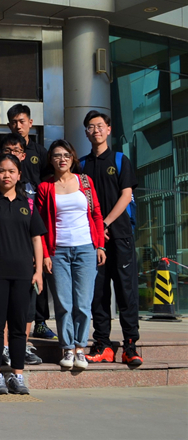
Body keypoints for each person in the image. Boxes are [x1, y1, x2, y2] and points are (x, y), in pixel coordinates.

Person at [0, 104, 55, 341]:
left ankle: (40, 322)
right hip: (6, 221)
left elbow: (48, 183)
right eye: (14, 122)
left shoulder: (40, 152)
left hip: (33, 218)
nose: (18, 125)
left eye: (22, 121)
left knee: (37, 274)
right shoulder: (0, 154)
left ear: (30, 123)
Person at [79, 111, 142, 366]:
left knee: (127, 291)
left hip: (120, 236)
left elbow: (126, 196)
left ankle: (130, 346)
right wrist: (95, 228)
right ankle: (102, 344)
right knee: (98, 293)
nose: (95, 130)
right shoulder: (81, 165)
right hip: (93, 240)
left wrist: (104, 223)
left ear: (108, 129)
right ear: (86, 133)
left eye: (99, 126)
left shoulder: (120, 160)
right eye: (90, 127)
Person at [36, 139, 105, 371]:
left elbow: (96, 214)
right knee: (64, 302)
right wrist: (45, 254)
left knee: (83, 303)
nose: (62, 159)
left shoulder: (85, 182)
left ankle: (80, 347)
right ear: (51, 160)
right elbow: (41, 224)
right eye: (57, 155)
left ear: (73, 157)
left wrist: (100, 245)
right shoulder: (45, 187)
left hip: (86, 248)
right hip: (58, 251)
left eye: (66, 155)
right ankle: (67, 347)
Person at [0, 154, 46, 395]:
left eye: (11, 171)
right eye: (1, 170)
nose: (6, 175)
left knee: (19, 327)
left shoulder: (28, 203)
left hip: (22, 274)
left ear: (19, 175)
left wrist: (38, 271)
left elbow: (37, 239)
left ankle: (17, 375)